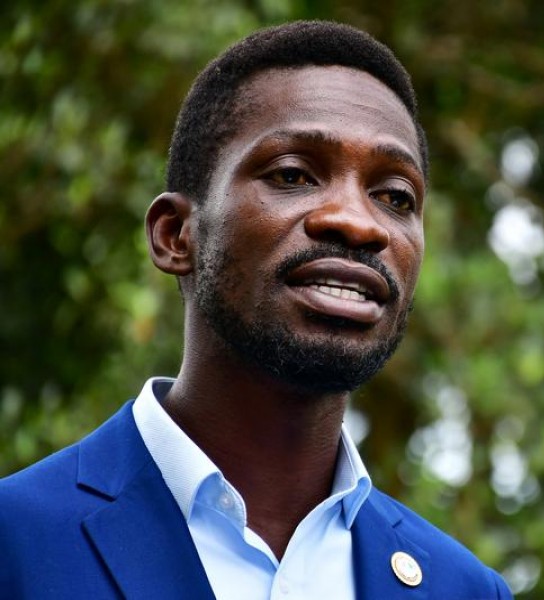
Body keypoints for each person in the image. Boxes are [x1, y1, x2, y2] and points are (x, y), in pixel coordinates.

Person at [0, 20, 512, 600]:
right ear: (176, 235)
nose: (357, 222)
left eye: (395, 196)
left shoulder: (466, 590)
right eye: (293, 174)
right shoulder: (17, 543)